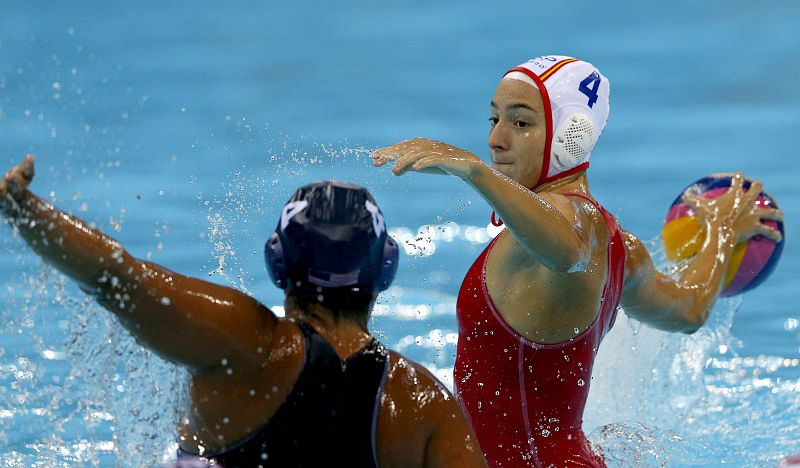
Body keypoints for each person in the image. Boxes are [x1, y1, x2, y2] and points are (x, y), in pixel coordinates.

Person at [372, 55, 784, 467]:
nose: (496, 139)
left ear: (571, 136)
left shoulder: (578, 227)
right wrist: (722, 235)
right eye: (493, 119)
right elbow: (688, 309)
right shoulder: (622, 249)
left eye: (520, 123)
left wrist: (475, 172)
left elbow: (569, 250)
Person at [0, 158, 487, 468]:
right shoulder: (425, 405)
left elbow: (116, 277)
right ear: (386, 268)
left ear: (277, 262)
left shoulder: (244, 345)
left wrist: (24, 209)